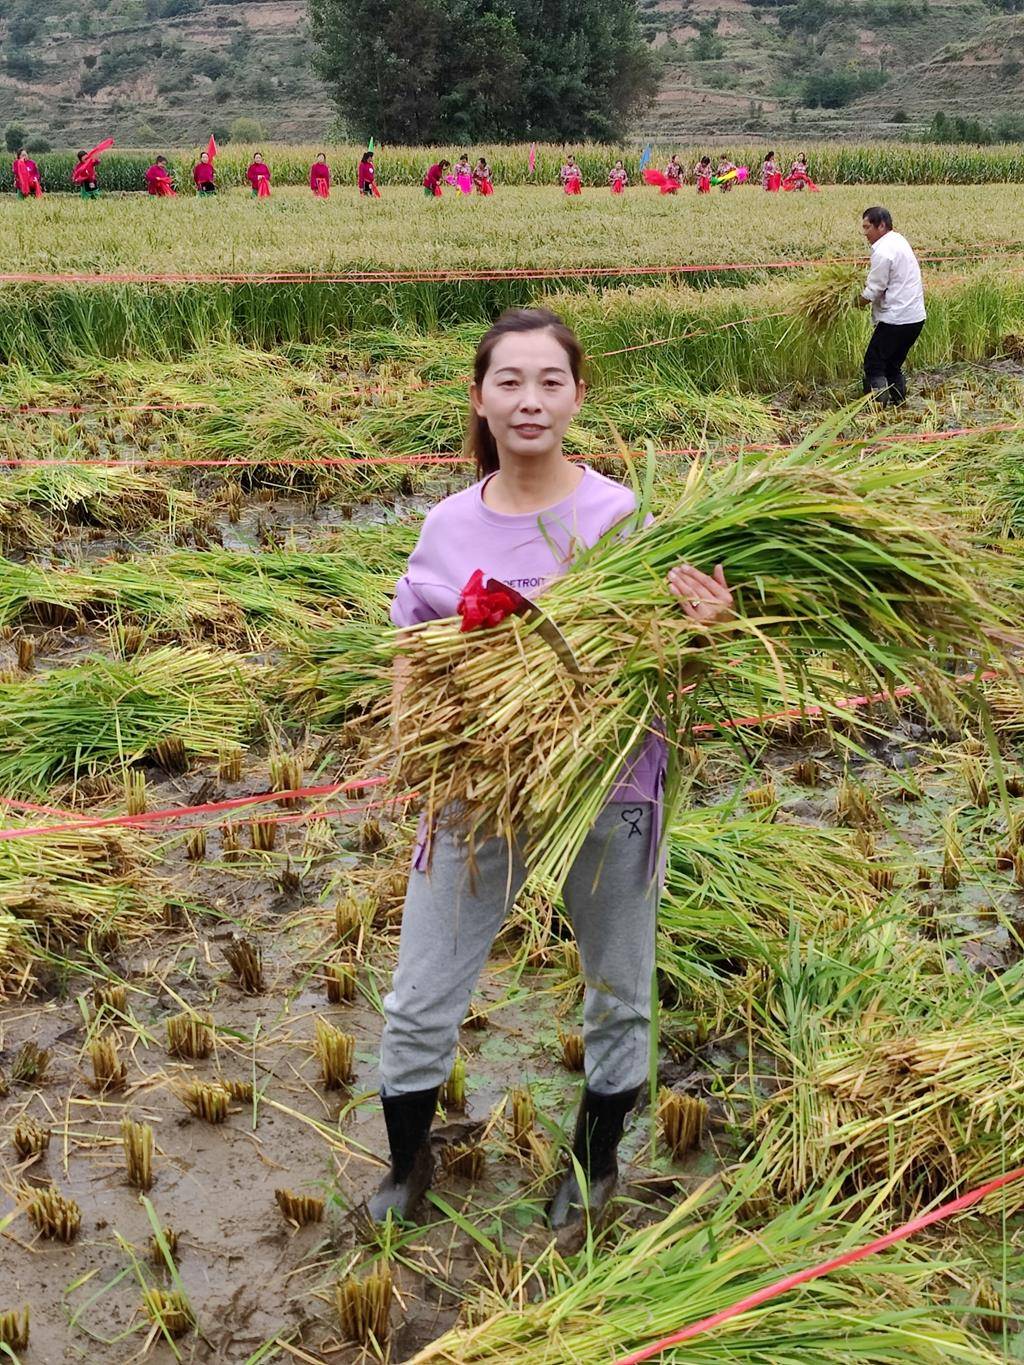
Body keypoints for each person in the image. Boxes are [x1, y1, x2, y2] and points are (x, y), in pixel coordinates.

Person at [370, 307, 734, 1241]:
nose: (530, 400)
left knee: (618, 987)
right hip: (474, 793)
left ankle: (595, 1160)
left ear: (577, 395)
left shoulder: (623, 517)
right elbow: (413, 641)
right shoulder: (448, 524)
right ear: (479, 398)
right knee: (419, 996)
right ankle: (408, 1165)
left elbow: (674, 665)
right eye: (510, 382)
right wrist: (414, 737)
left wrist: (710, 628)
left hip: (607, 790)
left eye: (550, 382)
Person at [857, 206, 926, 407]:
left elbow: (874, 289)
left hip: (896, 319)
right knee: (893, 365)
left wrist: (855, 301)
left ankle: (878, 409)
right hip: (915, 317)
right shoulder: (899, 240)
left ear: (882, 226)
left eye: (867, 227)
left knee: (874, 364)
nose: (865, 233)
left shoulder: (883, 251)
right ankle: (899, 404)